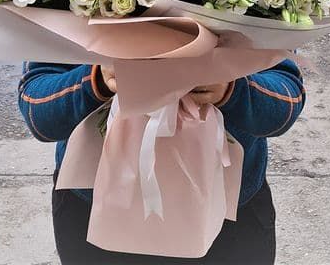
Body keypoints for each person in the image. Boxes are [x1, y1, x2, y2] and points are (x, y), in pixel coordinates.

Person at [19, 59, 305, 265]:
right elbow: (39, 114)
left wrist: (231, 89)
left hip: (227, 219)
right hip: (96, 215)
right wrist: (97, 80)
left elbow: (285, 103)